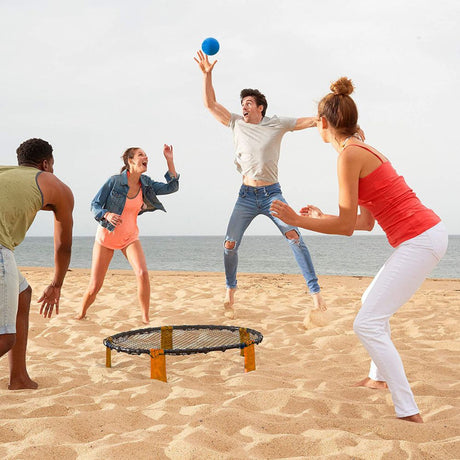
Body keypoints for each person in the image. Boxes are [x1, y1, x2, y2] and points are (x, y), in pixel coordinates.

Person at [270, 77, 448, 423]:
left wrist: (297, 220)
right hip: (426, 235)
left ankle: (408, 410)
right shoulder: (360, 149)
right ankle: (377, 378)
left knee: (366, 324)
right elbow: (364, 222)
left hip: (421, 238)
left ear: (322, 124)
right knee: (371, 303)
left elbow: (347, 229)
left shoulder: (349, 155)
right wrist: (323, 216)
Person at [194, 50, 326, 319]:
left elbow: (308, 121)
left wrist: (331, 119)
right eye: (242, 102)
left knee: (295, 237)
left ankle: (316, 295)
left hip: (271, 194)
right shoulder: (234, 123)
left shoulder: (276, 124)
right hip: (246, 195)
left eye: (249, 102)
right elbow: (210, 104)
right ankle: (230, 289)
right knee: (229, 244)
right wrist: (207, 75)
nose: (244, 106)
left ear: (260, 107)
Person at [0, 138, 74, 390]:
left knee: (23, 292)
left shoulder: (6, 173)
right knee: (3, 338)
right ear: (46, 163)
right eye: (52, 165)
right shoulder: (55, 184)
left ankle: (19, 377)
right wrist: (56, 283)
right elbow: (63, 245)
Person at [76, 145, 179, 324]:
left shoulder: (146, 183)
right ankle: (81, 313)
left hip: (129, 237)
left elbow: (172, 187)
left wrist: (169, 160)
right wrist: (106, 214)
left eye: (146, 155)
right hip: (107, 237)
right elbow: (94, 204)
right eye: (141, 155)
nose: (145, 157)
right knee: (94, 286)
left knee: (142, 273)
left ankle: (145, 318)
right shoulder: (114, 181)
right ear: (130, 161)